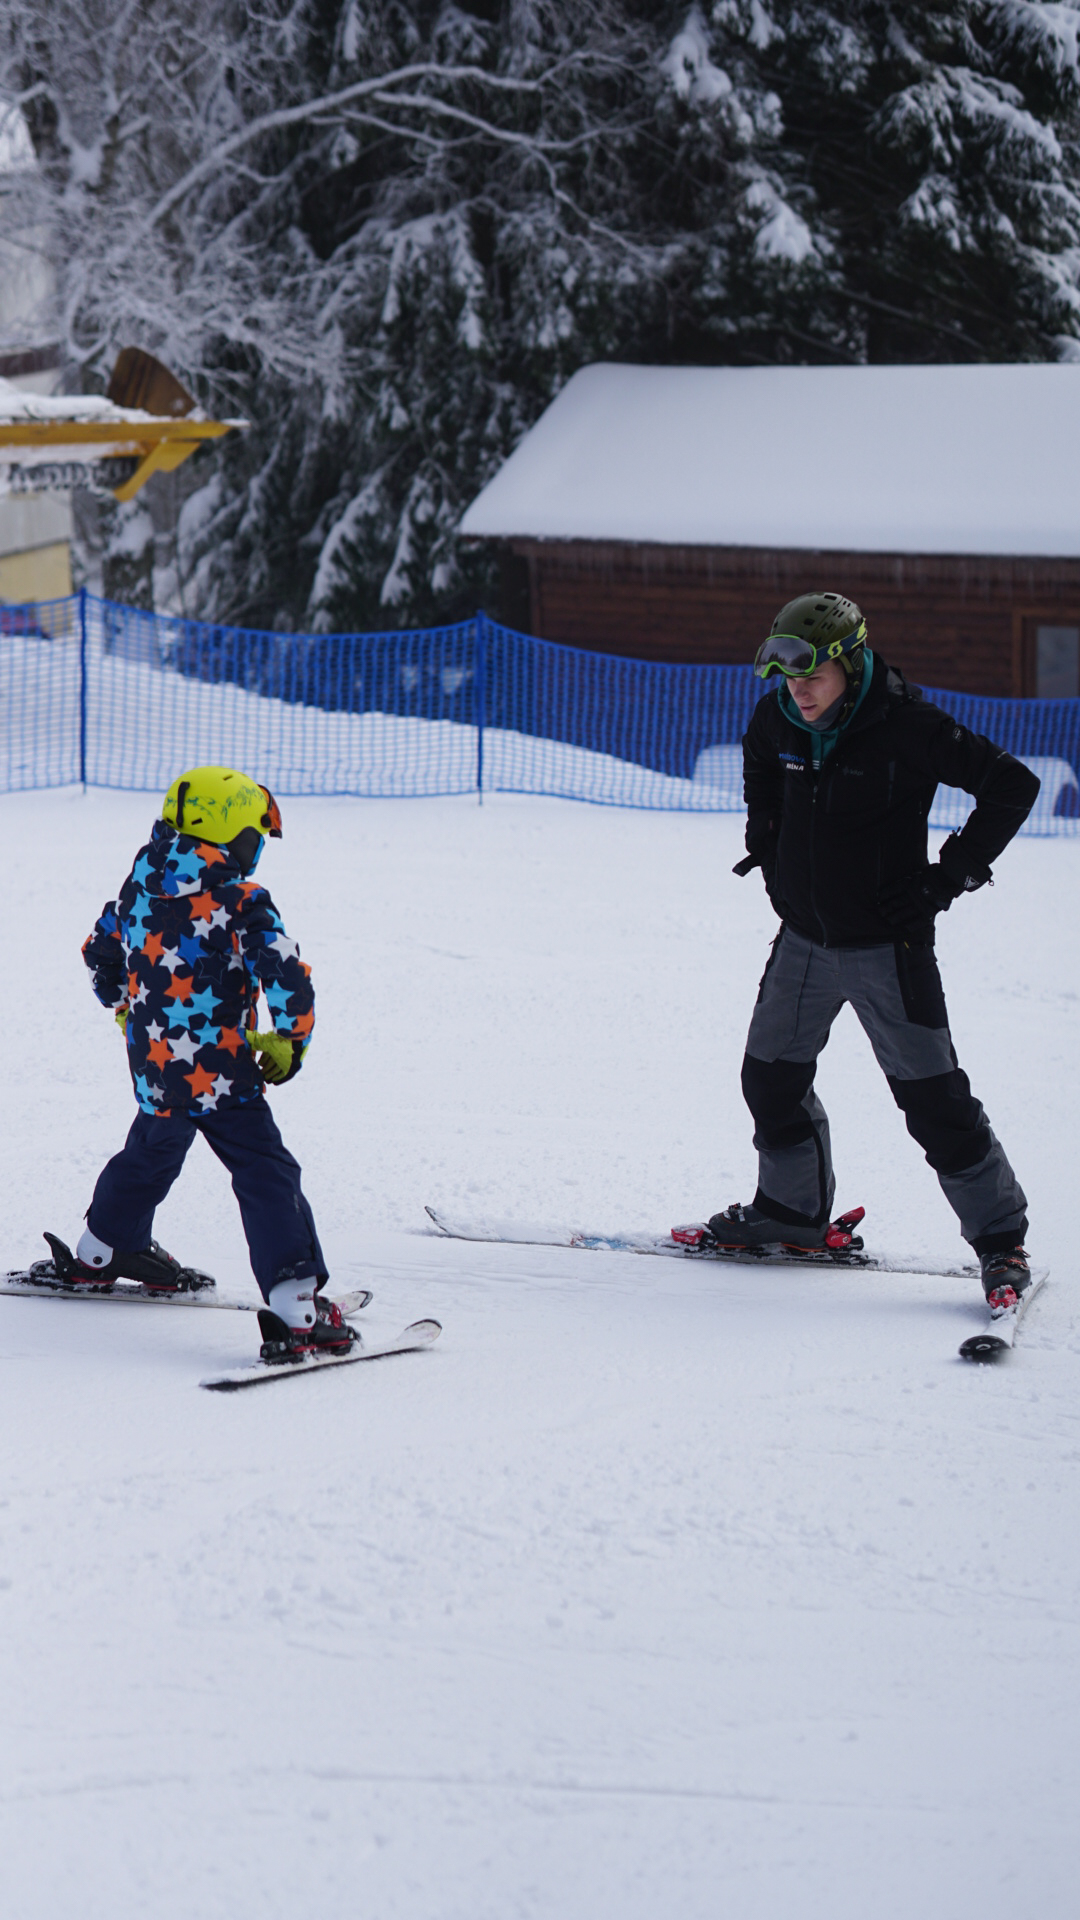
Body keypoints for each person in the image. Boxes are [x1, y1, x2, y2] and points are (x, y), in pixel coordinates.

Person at [711, 592, 1040, 1310]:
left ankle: (1000, 1242)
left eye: (813, 674)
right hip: (804, 938)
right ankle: (793, 1215)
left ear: (850, 663)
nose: (799, 690)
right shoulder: (781, 719)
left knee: (933, 1103)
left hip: (887, 945)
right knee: (770, 1077)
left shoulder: (909, 728)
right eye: (788, 677)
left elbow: (1012, 786)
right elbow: (762, 760)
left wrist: (946, 878)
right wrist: (765, 839)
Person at [44, 765, 355, 1362]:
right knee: (265, 1172)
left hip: (155, 1066)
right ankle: (298, 1309)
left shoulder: (140, 886)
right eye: (253, 833)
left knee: (152, 1150)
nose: (257, 846)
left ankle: (103, 1251)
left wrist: (122, 1002)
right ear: (232, 834)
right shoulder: (242, 901)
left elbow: (99, 949)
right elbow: (287, 975)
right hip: (223, 1074)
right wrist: (291, 1041)